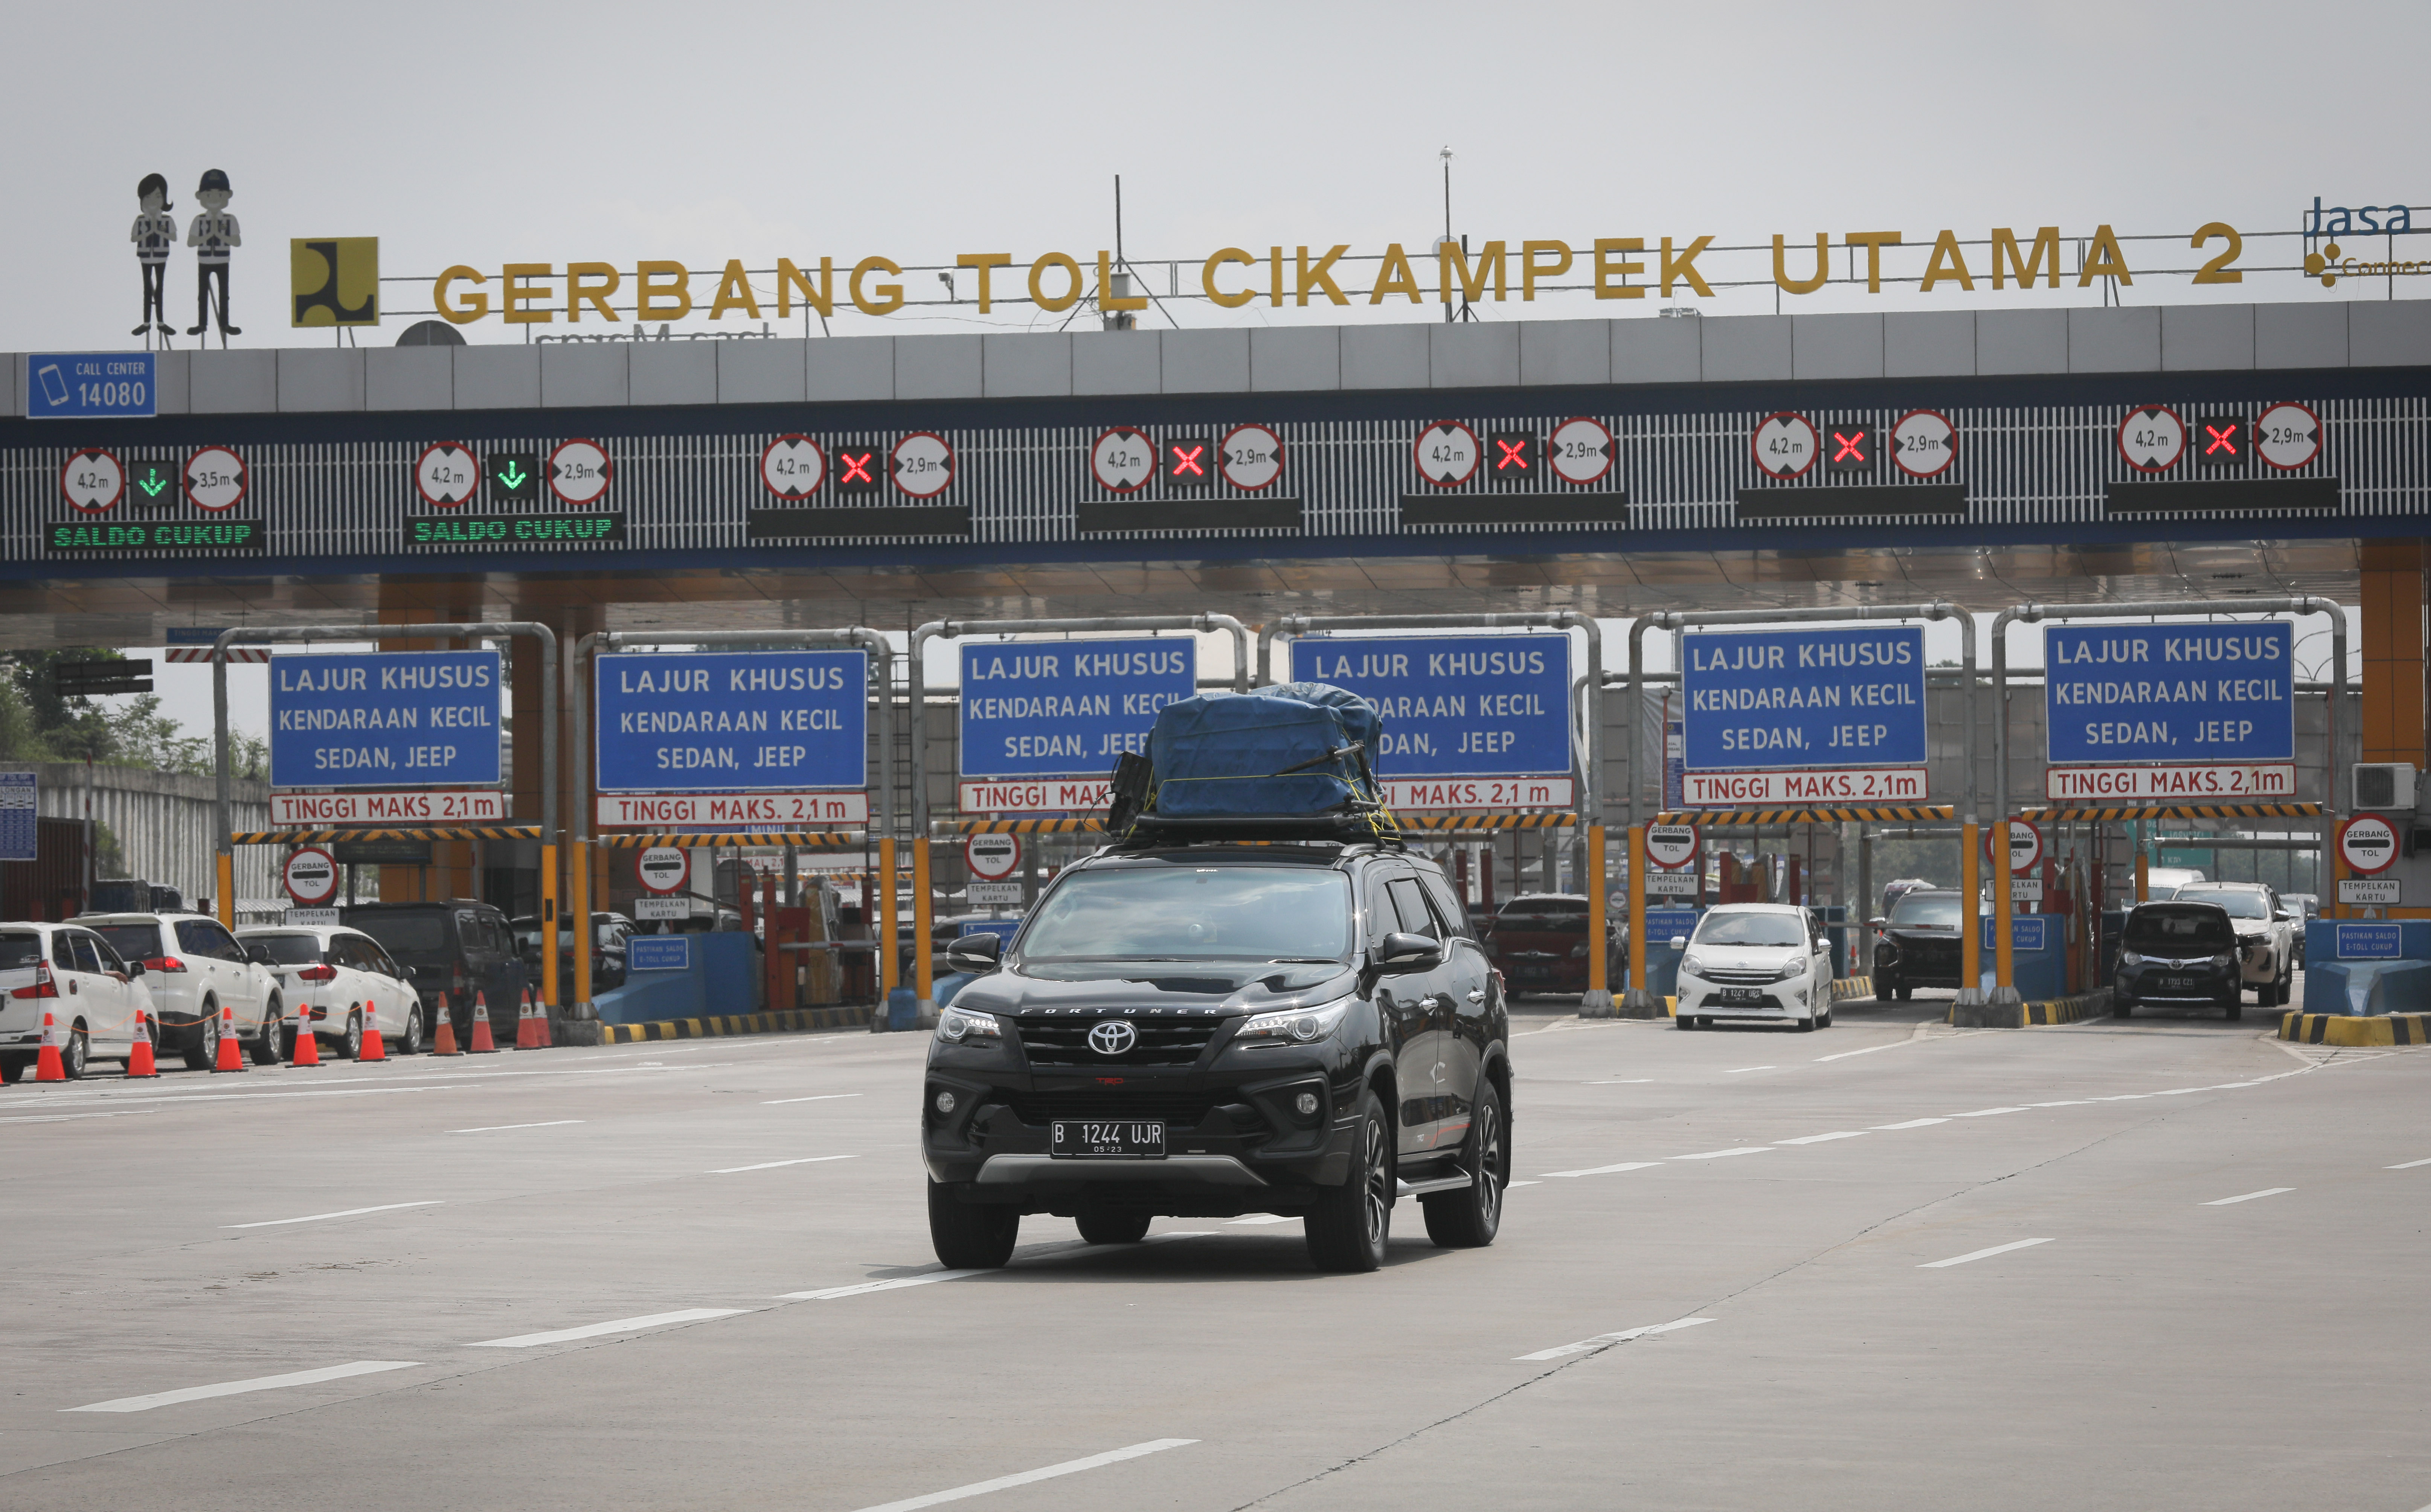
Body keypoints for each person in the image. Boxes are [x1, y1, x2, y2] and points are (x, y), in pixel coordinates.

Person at [186, 169, 241, 338]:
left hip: (222, 259)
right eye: (209, 195)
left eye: (220, 194)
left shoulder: (230, 220)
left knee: (224, 294)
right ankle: (202, 324)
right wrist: (209, 235)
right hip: (204, 260)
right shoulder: (200, 220)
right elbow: (191, 242)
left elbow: (237, 242)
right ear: (200, 196)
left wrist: (220, 235)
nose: (215, 199)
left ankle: (225, 323)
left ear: (228, 195)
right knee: (203, 294)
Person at [130, 174, 177, 340]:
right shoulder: (141, 221)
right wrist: (149, 232)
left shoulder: (167, 220)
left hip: (161, 255)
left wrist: (160, 231)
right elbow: (134, 238)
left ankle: (161, 322)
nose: (152, 202)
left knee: (160, 288)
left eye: (157, 196)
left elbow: (174, 237)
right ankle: (146, 322)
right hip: (145, 256)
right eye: (148, 197)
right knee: (147, 289)